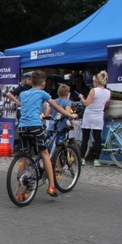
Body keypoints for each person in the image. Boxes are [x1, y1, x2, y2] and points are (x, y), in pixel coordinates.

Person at [17, 70, 78, 199]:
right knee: (44, 154)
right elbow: (59, 109)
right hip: (35, 126)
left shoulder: (23, 94)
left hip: (22, 127)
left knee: (24, 157)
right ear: (44, 83)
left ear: (31, 81)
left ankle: (20, 193)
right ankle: (51, 186)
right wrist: (71, 115)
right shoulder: (43, 93)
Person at [78, 70, 111, 167]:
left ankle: (82, 158)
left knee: (85, 138)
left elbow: (86, 103)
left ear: (96, 81)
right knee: (97, 138)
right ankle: (97, 159)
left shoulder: (93, 90)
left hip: (89, 115)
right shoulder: (108, 92)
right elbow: (106, 103)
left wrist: (81, 97)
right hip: (99, 116)